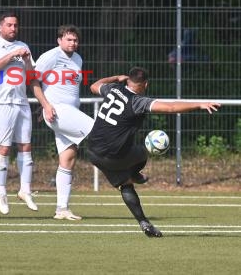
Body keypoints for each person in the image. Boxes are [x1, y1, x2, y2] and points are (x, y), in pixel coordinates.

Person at [87, 67, 220, 237]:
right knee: (143, 152)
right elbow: (171, 108)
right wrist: (200, 104)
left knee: (126, 184)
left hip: (92, 151)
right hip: (114, 156)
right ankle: (135, 174)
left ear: (128, 80)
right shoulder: (137, 101)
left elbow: (94, 86)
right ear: (145, 84)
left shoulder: (113, 89)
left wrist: (116, 77)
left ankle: (144, 223)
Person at [33, 25, 94, 220]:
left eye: (75, 40)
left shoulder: (78, 59)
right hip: (57, 112)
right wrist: (46, 106)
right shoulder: (51, 56)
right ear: (59, 40)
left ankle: (62, 209)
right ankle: (126, 172)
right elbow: (34, 82)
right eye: (68, 39)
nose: (72, 43)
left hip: (69, 112)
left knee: (68, 158)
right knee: (98, 131)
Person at [0, 11, 37, 214]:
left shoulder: (24, 46)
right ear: (1, 27)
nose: (13, 28)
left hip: (21, 102)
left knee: (26, 146)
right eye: (9, 25)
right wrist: (12, 54)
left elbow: (31, 75)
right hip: (1, 102)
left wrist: (28, 59)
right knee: (4, 148)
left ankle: (25, 190)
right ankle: (2, 193)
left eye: (15, 25)